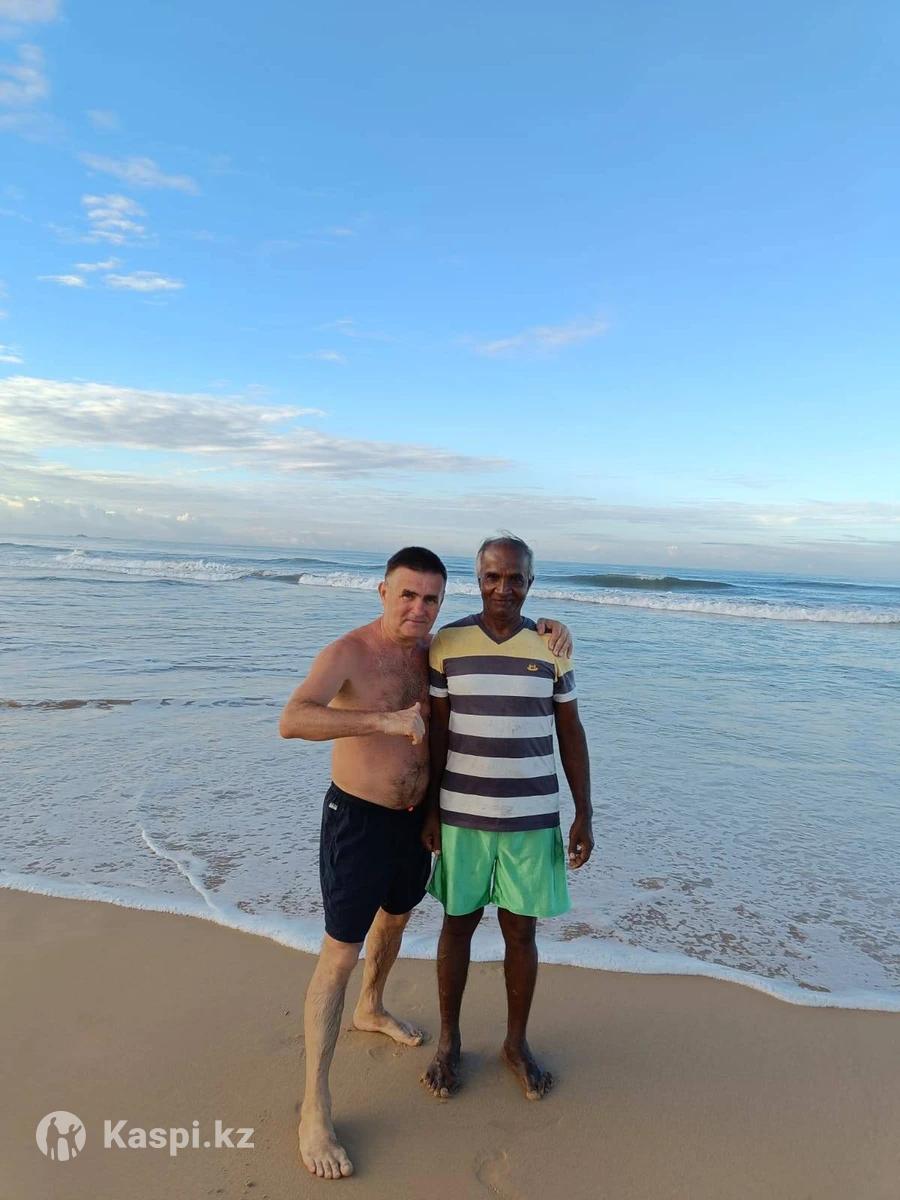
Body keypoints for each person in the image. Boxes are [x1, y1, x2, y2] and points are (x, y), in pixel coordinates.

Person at [278, 545, 572, 1180]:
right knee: (340, 953)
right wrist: (384, 721)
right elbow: (293, 719)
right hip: (360, 820)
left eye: (430, 598)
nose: (418, 608)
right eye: (407, 594)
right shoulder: (349, 653)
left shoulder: (434, 648)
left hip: (417, 821)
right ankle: (315, 1110)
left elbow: (502, 645)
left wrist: (552, 626)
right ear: (383, 591)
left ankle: (372, 1007)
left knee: (396, 919)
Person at [421, 534, 593, 1102]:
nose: (503, 588)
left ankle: (516, 1044)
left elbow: (570, 732)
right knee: (458, 924)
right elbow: (438, 732)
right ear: (478, 580)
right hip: (461, 815)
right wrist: (429, 809)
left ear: (530, 582)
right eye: (492, 577)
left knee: (522, 933)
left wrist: (584, 811)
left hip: (531, 816)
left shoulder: (552, 647)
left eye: (515, 577)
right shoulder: (447, 643)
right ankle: (449, 1042)